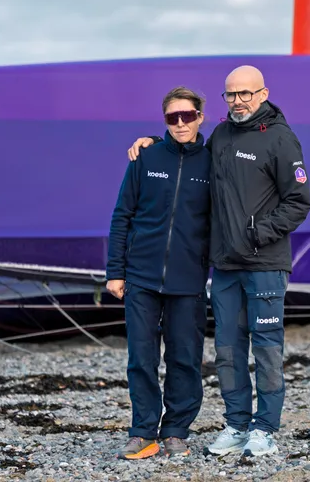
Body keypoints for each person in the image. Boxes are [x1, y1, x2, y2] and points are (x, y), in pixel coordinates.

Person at [126, 65, 310, 457]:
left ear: (262, 93)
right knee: (227, 349)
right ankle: (237, 423)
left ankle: (265, 428)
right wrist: (152, 143)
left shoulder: (282, 140)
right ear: (224, 99)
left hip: (264, 265)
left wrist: (256, 234)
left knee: (266, 349)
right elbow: (187, 157)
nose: (239, 101)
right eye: (231, 94)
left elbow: (299, 202)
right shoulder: (222, 136)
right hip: (225, 266)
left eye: (246, 93)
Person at [106, 86, 212, 460]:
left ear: (201, 117)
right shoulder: (145, 157)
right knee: (141, 357)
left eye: (188, 116)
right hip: (141, 276)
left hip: (189, 280)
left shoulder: (213, 162)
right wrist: (115, 271)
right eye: (172, 117)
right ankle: (142, 432)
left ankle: (176, 431)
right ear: (164, 119)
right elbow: (122, 216)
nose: (180, 123)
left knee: (185, 357)